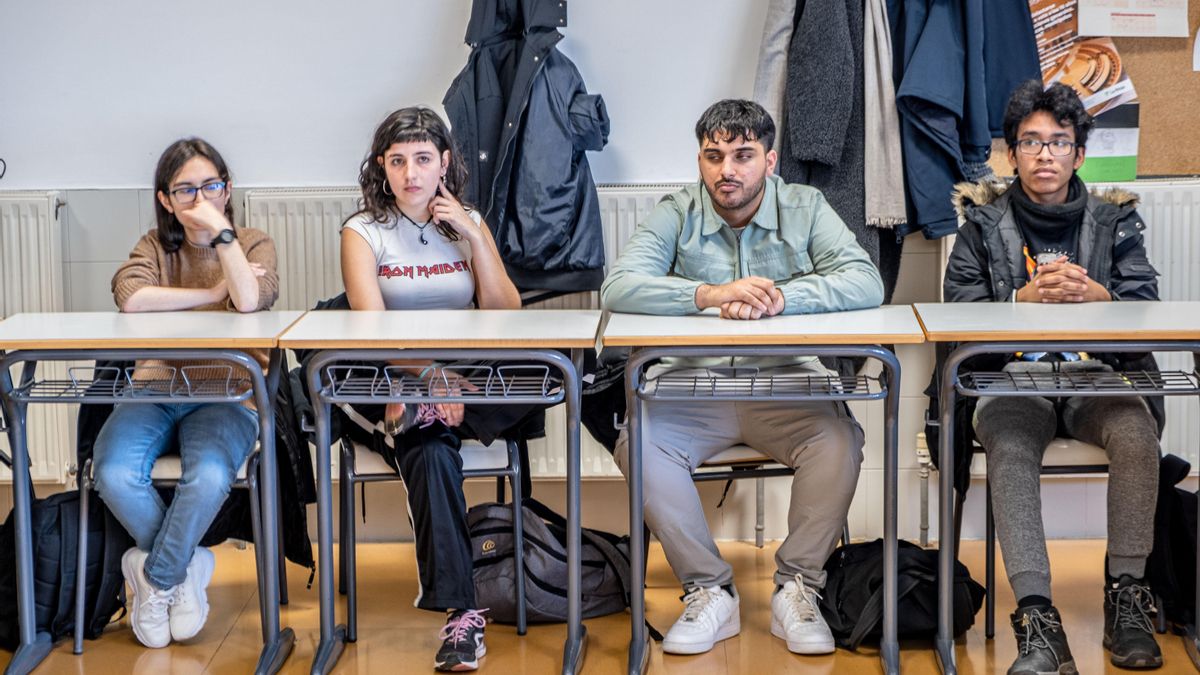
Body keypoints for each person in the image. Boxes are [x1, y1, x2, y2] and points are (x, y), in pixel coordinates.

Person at [601, 99, 884, 657]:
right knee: (639, 444)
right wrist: (708, 295)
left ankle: (799, 585)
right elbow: (619, 286)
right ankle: (709, 590)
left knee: (838, 440)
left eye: (742, 155)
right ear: (701, 160)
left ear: (770, 160)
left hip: (786, 386)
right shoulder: (676, 210)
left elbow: (865, 281)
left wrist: (780, 297)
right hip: (690, 388)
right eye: (714, 156)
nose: (727, 170)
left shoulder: (807, 205)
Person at [945, 80, 1163, 673]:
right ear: (1011, 154)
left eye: (1058, 142)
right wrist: (1020, 299)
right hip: (1010, 380)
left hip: (1095, 376)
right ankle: (1038, 622)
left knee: (1137, 434)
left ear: (1079, 154)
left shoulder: (1114, 220)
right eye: (1031, 142)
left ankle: (1127, 601)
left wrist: (1100, 296)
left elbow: (1146, 302)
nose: (1045, 154)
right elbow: (956, 307)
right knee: (1010, 450)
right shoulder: (981, 224)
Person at [339, 106, 523, 672]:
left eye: (423, 159)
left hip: (463, 371)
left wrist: (474, 235)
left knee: (549, 374)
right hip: (397, 370)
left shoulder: (467, 220)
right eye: (398, 162)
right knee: (428, 447)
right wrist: (433, 378)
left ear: (444, 162)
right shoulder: (363, 231)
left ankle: (421, 414)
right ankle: (461, 618)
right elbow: (371, 333)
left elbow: (506, 313)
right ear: (382, 167)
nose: (411, 174)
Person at [95, 138, 279, 649]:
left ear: (227, 188)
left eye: (211, 186)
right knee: (110, 471)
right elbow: (132, 299)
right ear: (165, 199)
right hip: (155, 386)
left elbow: (248, 301)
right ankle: (182, 568)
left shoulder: (252, 242)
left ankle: (153, 578)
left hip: (228, 390)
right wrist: (209, 294)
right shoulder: (153, 246)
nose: (200, 198)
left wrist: (222, 238)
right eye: (186, 190)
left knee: (211, 476)